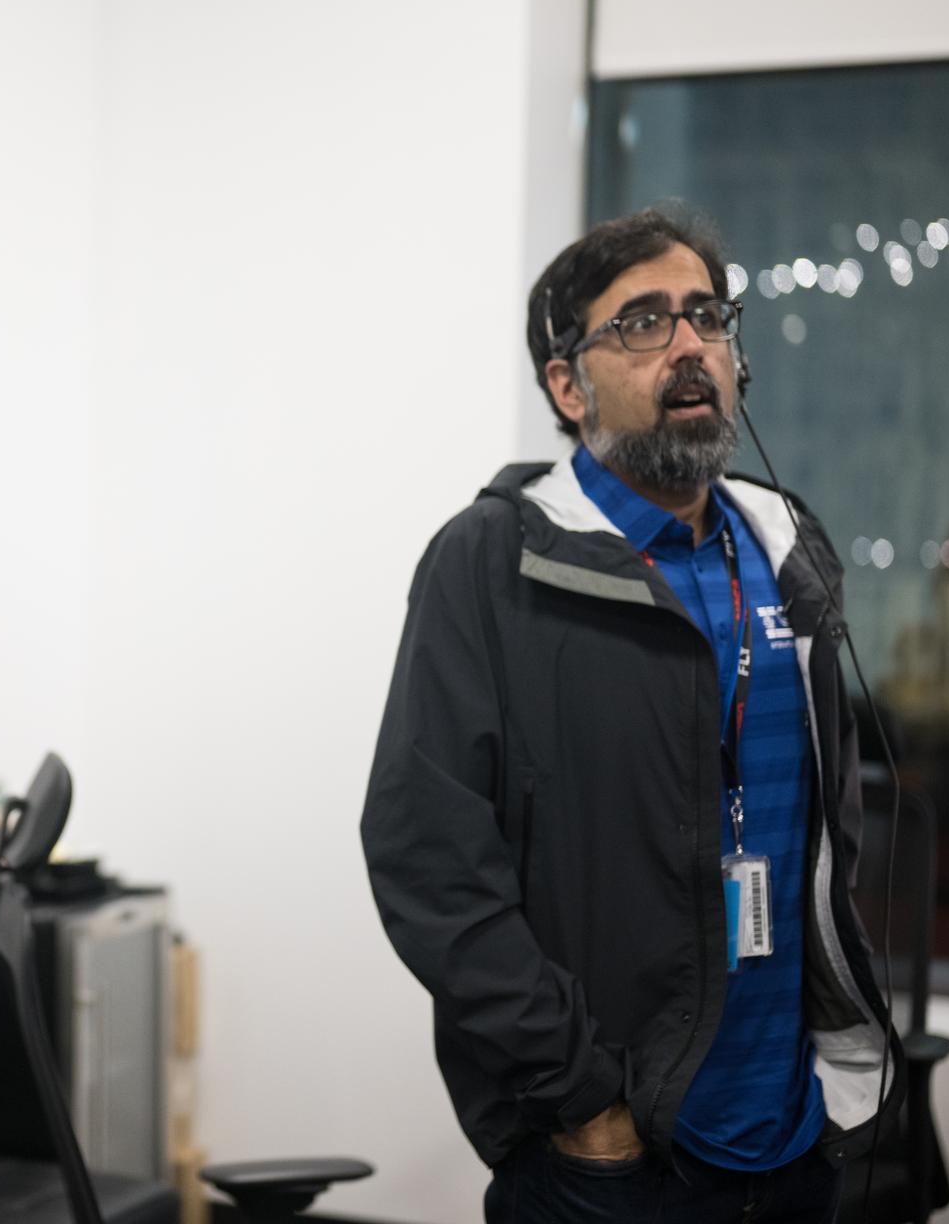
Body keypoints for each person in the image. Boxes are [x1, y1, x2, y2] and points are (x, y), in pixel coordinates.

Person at [361, 207, 899, 1222]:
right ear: (567, 385)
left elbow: (830, 832)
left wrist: (840, 1080)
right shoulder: (491, 561)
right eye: (643, 322)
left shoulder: (790, 548)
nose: (690, 344)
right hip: (610, 1162)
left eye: (705, 314)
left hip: (796, 1138)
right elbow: (424, 853)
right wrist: (584, 1098)